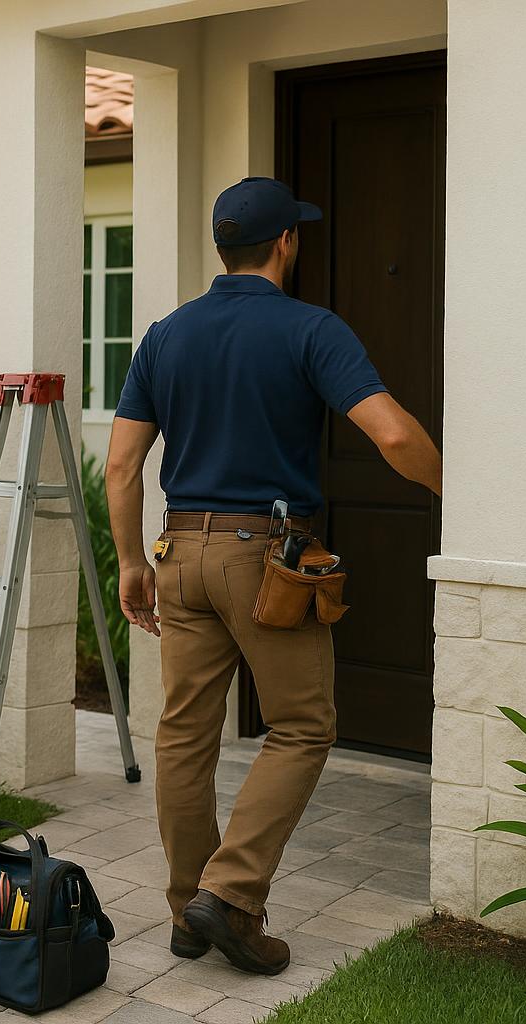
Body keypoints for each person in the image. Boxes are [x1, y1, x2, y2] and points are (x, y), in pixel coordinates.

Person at [103, 177, 442, 976]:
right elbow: (392, 435)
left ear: (224, 248)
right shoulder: (311, 330)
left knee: (184, 734)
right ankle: (229, 895)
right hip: (267, 559)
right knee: (302, 725)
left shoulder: (165, 335)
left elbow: (121, 466)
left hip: (178, 554)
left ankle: (191, 908)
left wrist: (128, 563)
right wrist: (453, 491)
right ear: (287, 242)